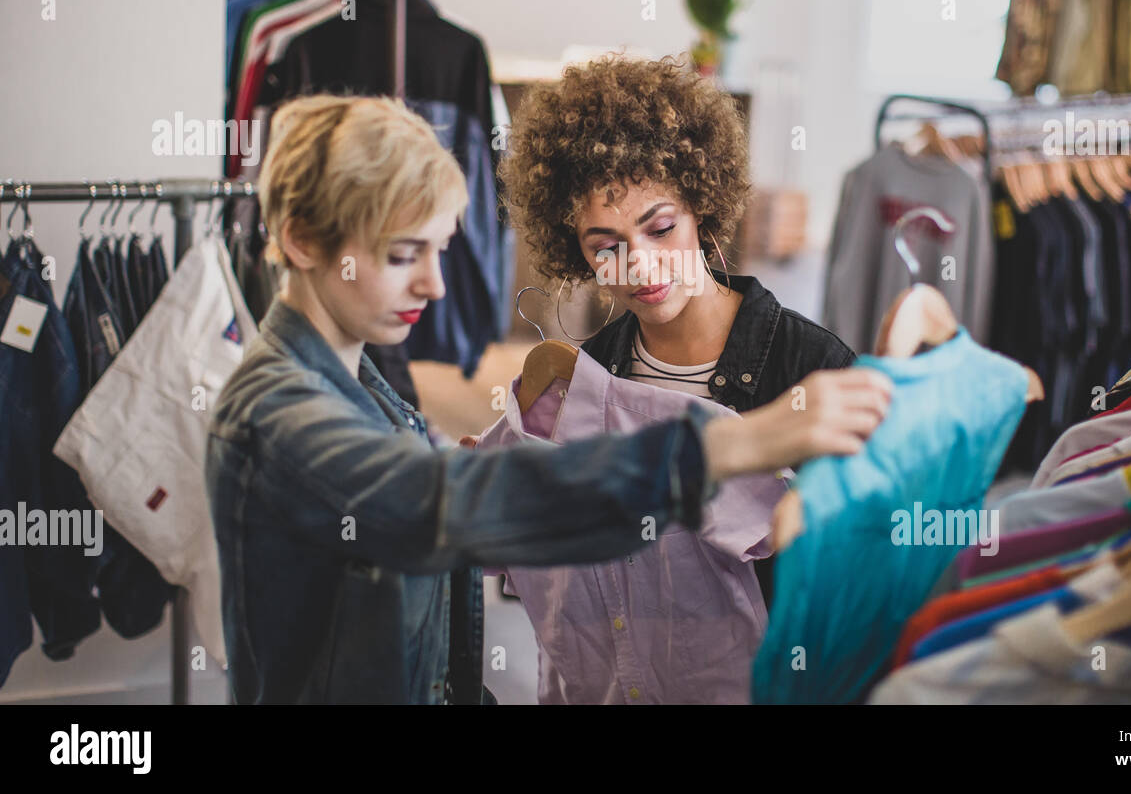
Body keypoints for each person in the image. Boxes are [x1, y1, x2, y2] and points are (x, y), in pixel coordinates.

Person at [205, 94, 890, 704]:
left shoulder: (367, 391)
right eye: (401, 255)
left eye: (440, 251)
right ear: (299, 241)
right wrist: (732, 445)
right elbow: (436, 505)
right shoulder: (277, 412)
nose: (436, 288)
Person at [492, 56, 886, 702]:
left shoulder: (810, 368)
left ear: (701, 203)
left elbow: (859, 576)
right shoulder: (585, 381)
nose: (639, 265)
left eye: (660, 227)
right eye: (604, 244)